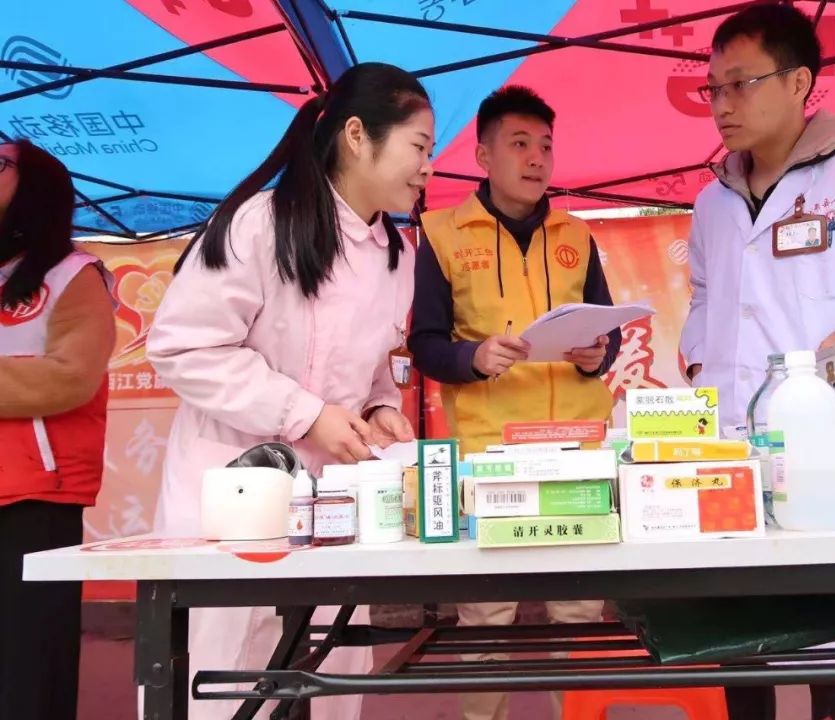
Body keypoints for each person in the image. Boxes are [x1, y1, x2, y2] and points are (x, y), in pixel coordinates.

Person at [146, 62, 433, 720]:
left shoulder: (396, 255)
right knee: (222, 678)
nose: (428, 167)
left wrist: (379, 408)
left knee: (327, 671)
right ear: (357, 137)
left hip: (330, 500)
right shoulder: (259, 225)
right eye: (419, 146)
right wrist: (304, 415)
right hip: (232, 489)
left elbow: (368, 370)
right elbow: (184, 347)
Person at [679, 4, 835, 719]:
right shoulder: (712, 201)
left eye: (741, 84)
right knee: (742, 632)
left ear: (799, 82)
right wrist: (698, 365)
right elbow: (704, 299)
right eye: (714, 88)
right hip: (734, 443)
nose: (722, 105)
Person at [408, 86, 620, 720]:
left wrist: (597, 354)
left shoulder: (576, 235)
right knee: (486, 615)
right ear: (482, 155)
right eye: (520, 143)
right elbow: (426, 343)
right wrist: (472, 357)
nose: (536, 158)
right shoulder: (441, 234)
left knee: (580, 610)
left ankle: (577, 715)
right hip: (491, 450)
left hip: (577, 448)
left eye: (546, 146)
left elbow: (607, 332)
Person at [0, 139, 117, 720]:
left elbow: (71, 377)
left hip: (35, 496)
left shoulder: (74, 275)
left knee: (28, 666)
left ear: (36, 187)